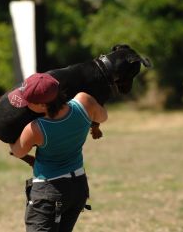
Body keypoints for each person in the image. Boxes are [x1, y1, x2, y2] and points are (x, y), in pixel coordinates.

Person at [8, 73, 108, 232]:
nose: (26, 105)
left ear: (41, 106)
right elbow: (102, 117)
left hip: (49, 192)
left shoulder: (36, 128)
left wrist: (12, 136)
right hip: (78, 187)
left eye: (28, 102)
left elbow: (18, 151)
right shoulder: (84, 101)